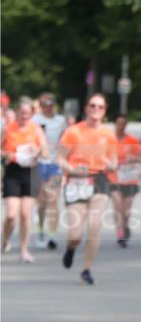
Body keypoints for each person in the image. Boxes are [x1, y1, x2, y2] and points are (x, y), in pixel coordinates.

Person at [56, 94, 117, 285]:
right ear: (86, 108)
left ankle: (86, 269)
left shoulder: (108, 134)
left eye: (100, 106)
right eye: (92, 105)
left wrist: (109, 164)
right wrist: (72, 169)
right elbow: (59, 158)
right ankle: (71, 248)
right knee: (75, 234)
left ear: (105, 110)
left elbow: (114, 163)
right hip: (76, 180)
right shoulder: (74, 132)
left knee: (95, 224)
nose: (96, 109)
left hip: (99, 178)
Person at [1, 96, 49, 262]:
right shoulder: (8, 128)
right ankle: (5, 240)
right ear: (17, 113)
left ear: (32, 114)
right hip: (13, 171)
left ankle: (24, 250)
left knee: (25, 213)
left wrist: (36, 151)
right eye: (22, 113)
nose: (25, 117)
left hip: (30, 172)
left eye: (28, 114)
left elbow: (45, 151)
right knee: (12, 214)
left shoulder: (36, 129)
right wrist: (8, 155)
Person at [33, 92, 67, 250]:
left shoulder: (60, 120)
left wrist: (62, 154)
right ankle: (40, 228)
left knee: (53, 199)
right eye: (45, 104)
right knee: (42, 200)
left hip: (55, 164)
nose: (48, 106)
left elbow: (66, 140)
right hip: (39, 163)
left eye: (51, 103)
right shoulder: (35, 121)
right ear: (41, 105)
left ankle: (53, 234)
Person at [107, 115, 141, 247]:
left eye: (123, 124)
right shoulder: (109, 140)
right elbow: (102, 157)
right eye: (118, 123)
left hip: (129, 179)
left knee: (126, 210)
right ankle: (120, 234)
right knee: (117, 206)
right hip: (114, 177)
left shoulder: (132, 141)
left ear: (126, 125)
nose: (120, 126)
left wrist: (133, 159)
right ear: (115, 124)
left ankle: (125, 225)